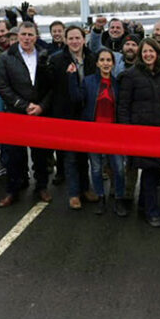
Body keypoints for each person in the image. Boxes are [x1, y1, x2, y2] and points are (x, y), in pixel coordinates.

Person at [0, 21, 52, 207]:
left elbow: (51, 87)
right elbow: (2, 86)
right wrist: (23, 105)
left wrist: (41, 107)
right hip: (16, 113)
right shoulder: (6, 57)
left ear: (36, 37)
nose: (27, 38)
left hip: (40, 113)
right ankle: (12, 190)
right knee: (14, 156)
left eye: (30, 34)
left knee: (40, 155)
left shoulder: (45, 56)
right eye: (24, 34)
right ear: (17, 35)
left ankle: (42, 187)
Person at [117, 38, 160, 228]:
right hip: (139, 132)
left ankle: (143, 205)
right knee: (149, 170)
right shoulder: (130, 75)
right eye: (145, 52)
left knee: (155, 171)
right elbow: (123, 106)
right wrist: (126, 130)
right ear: (140, 54)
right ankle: (152, 211)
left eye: (152, 51)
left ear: (157, 53)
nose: (148, 55)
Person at [69, 48, 127, 216]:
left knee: (119, 168)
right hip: (93, 132)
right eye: (102, 60)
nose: (105, 63)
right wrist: (72, 78)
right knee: (95, 168)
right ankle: (101, 198)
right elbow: (77, 99)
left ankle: (119, 198)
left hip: (113, 133)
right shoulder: (88, 82)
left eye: (109, 60)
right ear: (97, 63)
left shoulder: (117, 84)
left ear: (113, 63)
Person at [45, 25, 97, 208]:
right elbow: (49, 87)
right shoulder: (56, 60)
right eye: (71, 38)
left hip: (86, 113)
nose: (75, 41)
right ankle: (74, 193)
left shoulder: (92, 58)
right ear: (66, 40)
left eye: (78, 38)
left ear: (84, 39)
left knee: (84, 155)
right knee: (70, 156)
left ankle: (85, 188)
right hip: (65, 114)